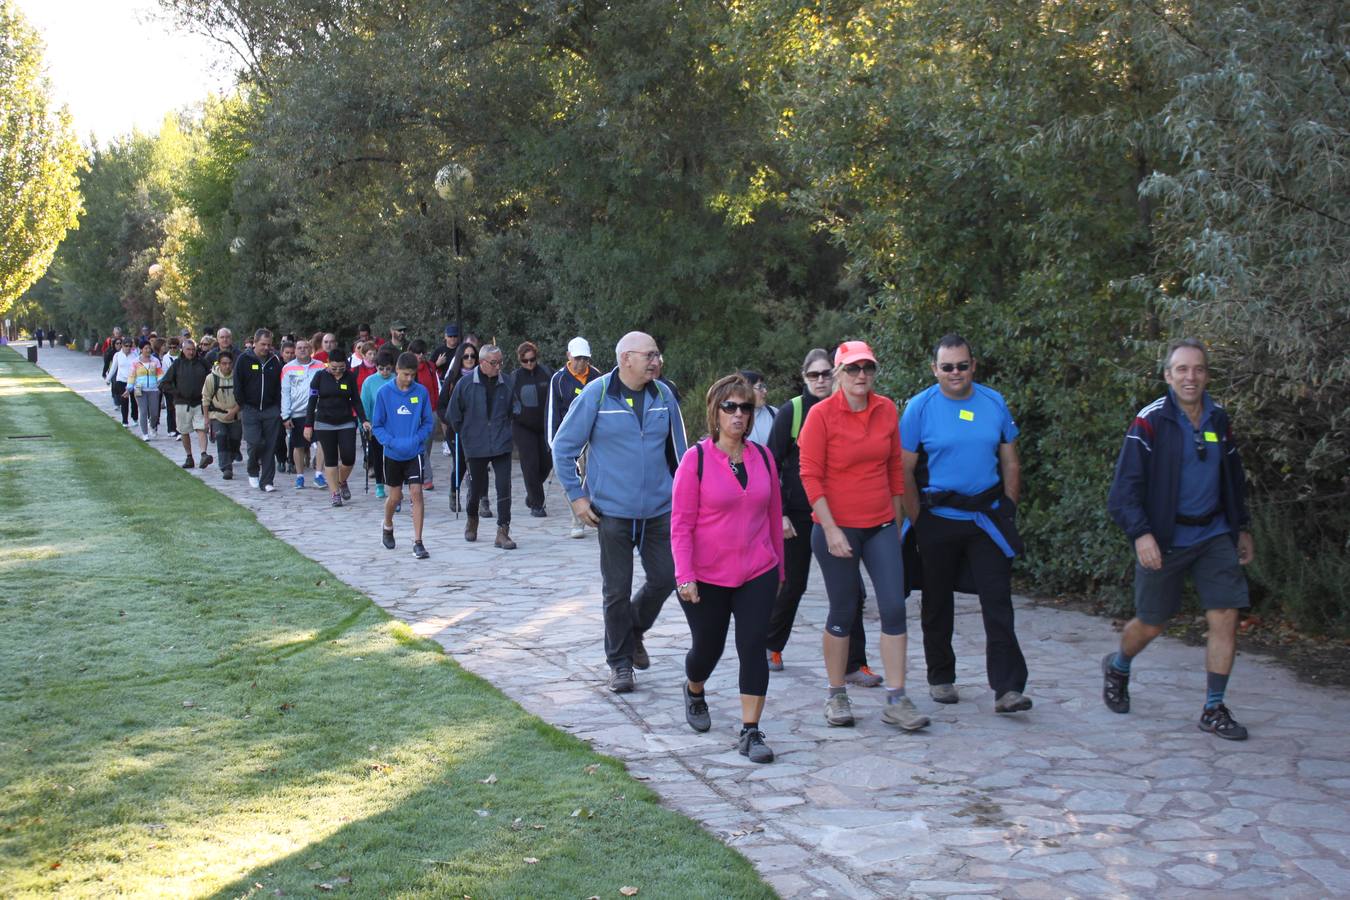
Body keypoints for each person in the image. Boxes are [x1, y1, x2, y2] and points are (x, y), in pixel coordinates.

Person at [1105, 338, 1256, 740]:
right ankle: (1119, 665)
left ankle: (1213, 708)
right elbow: (1123, 491)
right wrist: (1142, 535)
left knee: (1225, 615)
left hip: (1214, 534)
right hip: (1165, 539)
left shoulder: (1219, 420)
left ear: (1206, 374)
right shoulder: (1150, 421)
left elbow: (1233, 479)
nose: (1191, 377)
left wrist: (1241, 527)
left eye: (1199, 369)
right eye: (1182, 370)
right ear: (1168, 375)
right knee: (1151, 624)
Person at [798, 340, 928, 731]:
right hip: (835, 528)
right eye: (853, 369)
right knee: (844, 609)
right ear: (838, 373)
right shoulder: (821, 416)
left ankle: (897, 698)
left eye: (867, 368)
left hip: (881, 526)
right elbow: (810, 475)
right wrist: (832, 528)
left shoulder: (886, 409)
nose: (861, 376)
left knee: (893, 607)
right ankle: (836, 695)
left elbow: (894, 470)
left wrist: (896, 521)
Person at [900, 334, 1031, 714]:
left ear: (973, 366)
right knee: (937, 601)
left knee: (998, 600)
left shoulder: (993, 402)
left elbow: (1010, 460)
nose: (955, 373)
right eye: (947, 367)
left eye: (962, 365)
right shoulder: (919, 408)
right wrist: (917, 520)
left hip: (985, 518)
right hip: (937, 516)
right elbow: (904, 469)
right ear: (934, 370)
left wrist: (1008, 506)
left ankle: (1008, 688)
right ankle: (941, 677)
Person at [552, 331, 688, 692]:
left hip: (659, 510)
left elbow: (681, 456)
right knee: (617, 591)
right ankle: (620, 663)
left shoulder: (664, 396)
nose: (656, 361)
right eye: (650, 355)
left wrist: (686, 502)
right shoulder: (597, 395)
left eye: (657, 354)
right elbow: (563, 447)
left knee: (665, 578)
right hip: (610, 511)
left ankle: (634, 630)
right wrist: (577, 497)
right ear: (626, 358)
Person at [672, 375, 785, 763]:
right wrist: (684, 575)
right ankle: (694, 688)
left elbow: (773, 518)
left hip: (757, 570)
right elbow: (681, 524)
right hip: (705, 575)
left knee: (753, 646)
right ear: (715, 412)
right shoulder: (697, 460)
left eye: (746, 407)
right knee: (708, 648)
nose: (739, 415)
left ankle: (751, 731)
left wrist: (779, 572)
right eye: (730, 407)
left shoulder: (764, 458)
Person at [765, 348, 881, 686]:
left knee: (851, 592)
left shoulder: (849, 409)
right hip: (799, 517)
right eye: (814, 375)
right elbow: (771, 465)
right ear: (803, 378)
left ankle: (853, 664)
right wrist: (780, 514)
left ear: (836, 374)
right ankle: (771, 645)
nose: (821, 380)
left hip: (841, 514)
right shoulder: (793, 412)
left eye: (826, 374)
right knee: (792, 585)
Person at [447, 344, 517, 549]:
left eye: (501, 362)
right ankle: (472, 518)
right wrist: (468, 433)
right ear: (482, 362)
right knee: (477, 487)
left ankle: (503, 531)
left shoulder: (507, 383)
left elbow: (515, 408)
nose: (498, 367)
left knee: (504, 486)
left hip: (501, 442)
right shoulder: (465, 383)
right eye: (494, 363)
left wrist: (506, 428)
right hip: (475, 443)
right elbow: (454, 414)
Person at [372, 351, 433, 559]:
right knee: (395, 497)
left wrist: (417, 439)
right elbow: (377, 425)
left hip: (414, 452)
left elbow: (427, 422)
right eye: (405, 374)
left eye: (413, 375)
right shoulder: (384, 393)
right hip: (392, 453)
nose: (409, 379)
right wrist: (391, 441)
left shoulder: (421, 392)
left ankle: (418, 542)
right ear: (397, 370)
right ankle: (387, 525)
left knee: (417, 493)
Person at [547, 337, 602, 538]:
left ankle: (594, 512)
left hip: (593, 436)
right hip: (570, 437)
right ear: (569, 356)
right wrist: (553, 442)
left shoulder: (596, 376)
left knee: (593, 474)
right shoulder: (559, 379)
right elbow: (552, 411)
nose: (581, 363)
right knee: (572, 476)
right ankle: (577, 518)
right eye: (578, 358)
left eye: (585, 359)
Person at [304, 345, 369, 507]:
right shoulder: (319, 377)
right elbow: (312, 402)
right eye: (334, 368)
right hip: (324, 422)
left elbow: (356, 400)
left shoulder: (350, 377)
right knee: (331, 459)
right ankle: (335, 493)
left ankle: (341, 481)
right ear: (328, 363)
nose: (338, 371)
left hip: (346, 421)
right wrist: (308, 425)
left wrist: (364, 419)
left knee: (349, 457)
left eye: (341, 368)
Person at [234, 328, 284, 492]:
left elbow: (278, 386)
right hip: (250, 409)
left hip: (271, 410)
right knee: (255, 442)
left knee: (270, 446)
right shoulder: (243, 360)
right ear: (254, 343)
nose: (266, 348)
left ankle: (267, 481)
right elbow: (238, 384)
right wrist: (242, 404)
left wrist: (278, 407)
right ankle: (253, 469)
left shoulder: (274, 361)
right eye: (263, 344)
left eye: (269, 345)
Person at [510, 341, 554, 517]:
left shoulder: (547, 373)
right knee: (530, 465)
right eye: (525, 361)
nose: (529, 363)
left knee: (547, 463)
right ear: (520, 360)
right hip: (523, 427)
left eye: (532, 359)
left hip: (544, 426)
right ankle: (537, 503)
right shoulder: (514, 377)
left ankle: (532, 493)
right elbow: (508, 401)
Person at [437, 341, 480, 512]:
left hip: (477, 430)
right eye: (466, 356)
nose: (469, 359)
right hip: (456, 429)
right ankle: (454, 493)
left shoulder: (482, 377)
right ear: (460, 358)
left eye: (473, 356)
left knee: (478, 464)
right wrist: (450, 420)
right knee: (460, 463)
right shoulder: (453, 379)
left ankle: (479, 497)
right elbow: (440, 406)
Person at [161, 338, 212, 469]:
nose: (191, 352)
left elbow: (211, 379)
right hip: (182, 403)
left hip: (199, 402)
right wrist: (176, 392)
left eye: (193, 349)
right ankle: (189, 457)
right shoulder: (177, 364)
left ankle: (203, 454)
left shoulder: (203, 363)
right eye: (188, 349)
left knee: (201, 428)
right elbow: (164, 383)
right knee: (184, 431)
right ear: (182, 350)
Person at [281, 338, 325, 489]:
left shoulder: (320, 366)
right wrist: (285, 415)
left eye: (305, 347)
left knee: (321, 442)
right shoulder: (288, 368)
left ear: (310, 349)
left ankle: (319, 475)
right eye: (299, 348)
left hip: (317, 411)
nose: (302, 350)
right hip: (297, 412)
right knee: (298, 445)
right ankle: (300, 476)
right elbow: (285, 392)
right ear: (295, 350)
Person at [361, 347, 398, 499]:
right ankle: (379, 484)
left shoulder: (397, 379)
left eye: (388, 369)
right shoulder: (369, 382)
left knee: (393, 457)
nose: (384, 372)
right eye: (381, 368)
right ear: (376, 367)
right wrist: (365, 422)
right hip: (376, 425)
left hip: (395, 426)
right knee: (377, 456)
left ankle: (393, 484)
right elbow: (365, 403)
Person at [408, 339, 441, 491]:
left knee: (426, 445)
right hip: (415, 412)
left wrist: (437, 406)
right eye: (417, 353)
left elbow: (435, 387)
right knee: (420, 444)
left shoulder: (430, 367)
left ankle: (419, 469)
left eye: (422, 353)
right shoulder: (408, 370)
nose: (420, 355)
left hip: (431, 410)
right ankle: (427, 478)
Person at [203, 349, 241, 479]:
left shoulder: (237, 377)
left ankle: (231, 457)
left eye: (229, 363)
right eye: (224, 363)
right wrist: (206, 418)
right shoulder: (211, 378)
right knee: (222, 438)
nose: (227, 366)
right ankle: (226, 467)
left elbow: (244, 396)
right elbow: (206, 398)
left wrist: (234, 410)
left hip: (235, 415)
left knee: (235, 440)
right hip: (217, 415)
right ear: (219, 364)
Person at [126, 343, 165, 441]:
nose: (148, 350)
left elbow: (160, 373)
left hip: (153, 389)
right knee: (143, 411)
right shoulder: (135, 362)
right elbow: (132, 376)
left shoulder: (155, 361)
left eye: (149, 348)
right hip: (140, 390)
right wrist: (129, 388)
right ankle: (145, 434)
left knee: (155, 413)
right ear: (141, 349)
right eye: (145, 348)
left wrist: (159, 381)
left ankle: (152, 426)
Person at [104, 337, 139, 426]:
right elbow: (113, 368)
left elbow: (138, 369)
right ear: (122, 346)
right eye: (126, 346)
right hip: (121, 381)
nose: (128, 348)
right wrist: (108, 379)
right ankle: (125, 420)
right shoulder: (117, 355)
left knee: (134, 401)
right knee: (124, 401)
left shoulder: (135, 355)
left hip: (132, 381)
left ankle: (135, 418)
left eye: (129, 346)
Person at [739, 369, 777, 444]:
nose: (765, 391)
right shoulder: (732, 415)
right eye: (760, 387)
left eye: (764, 386)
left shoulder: (774, 413)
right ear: (746, 389)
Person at [161, 338, 181, 438]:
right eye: (171, 347)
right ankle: (171, 428)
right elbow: (164, 372)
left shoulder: (181, 356)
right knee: (170, 408)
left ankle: (179, 429)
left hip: (180, 385)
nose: (173, 349)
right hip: (170, 385)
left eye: (174, 347)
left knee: (178, 408)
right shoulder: (166, 358)